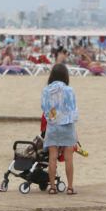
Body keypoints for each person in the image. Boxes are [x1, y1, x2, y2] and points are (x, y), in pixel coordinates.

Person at [41, 64, 78, 195]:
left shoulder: (46, 90)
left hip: (53, 126)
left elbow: (44, 109)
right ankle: (70, 187)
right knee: (69, 158)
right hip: (67, 126)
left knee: (52, 157)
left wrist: (52, 117)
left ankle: (52, 187)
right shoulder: (69, 90)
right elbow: (74, 110)